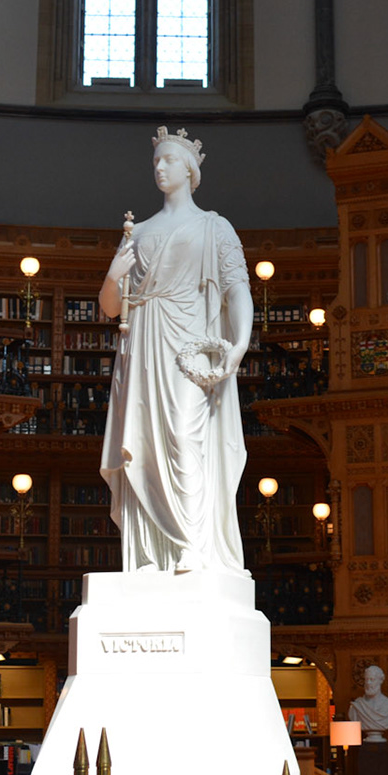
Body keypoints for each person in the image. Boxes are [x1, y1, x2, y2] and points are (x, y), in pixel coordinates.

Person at [98, 127, 252, 574]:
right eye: (155, 163)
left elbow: (236, 288)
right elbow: (112, 306)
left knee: (186, 437)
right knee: (141, 448)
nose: (159, 168)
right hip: (143, 346)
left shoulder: (214, 227)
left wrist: (240, 343)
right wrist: (113, 274)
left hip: (188, 346)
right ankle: (149, 553)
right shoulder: (137, 231)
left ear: (190, 170)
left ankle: (193, 545)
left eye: (167, 161)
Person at [347, 664, 388, 741]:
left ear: (380, 681)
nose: (368, 683)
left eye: (372, 679)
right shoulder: (356, 707)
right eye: (366, 680)